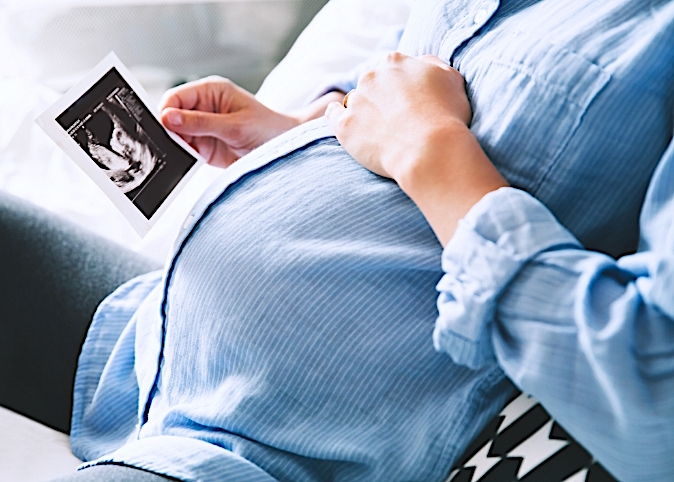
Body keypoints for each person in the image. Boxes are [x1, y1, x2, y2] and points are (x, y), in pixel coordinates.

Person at [0, 0, 671, 481]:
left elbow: (653, 397)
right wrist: (305, 134)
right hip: (148, 342)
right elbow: (444, 116)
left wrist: (427, 145)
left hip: (270, 448)